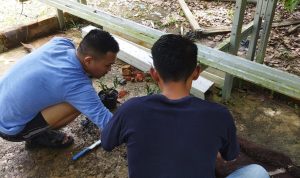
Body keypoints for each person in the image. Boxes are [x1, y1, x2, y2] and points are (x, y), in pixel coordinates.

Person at [101, 34, 269, 178]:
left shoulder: (131, 109)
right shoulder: (219, 115)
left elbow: (107, 143)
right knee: (257, 172)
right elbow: (230, 156)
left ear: (154, 74)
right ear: (196, 72)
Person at [0, 29, 119, 148]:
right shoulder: (76, 85)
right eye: (107, 65)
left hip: (4, 105)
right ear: (88, 60)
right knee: (77, 104)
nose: (109, 70)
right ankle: (36, 137)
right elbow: (107, 121)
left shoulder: (61, 43)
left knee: (72, 96)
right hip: (9, 128)